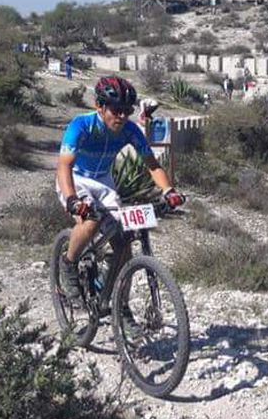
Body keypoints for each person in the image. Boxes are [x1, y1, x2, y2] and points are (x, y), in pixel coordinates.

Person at [56, 77, 185, 300]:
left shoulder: (130, 130)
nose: (122, 116)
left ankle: (118, 304)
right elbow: (64, 165)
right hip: (76, 178)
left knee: (123, 243)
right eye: (116, 110)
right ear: (99, 106)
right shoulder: (81, 126)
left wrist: (169, 191)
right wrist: (72, 199)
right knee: (91, 221)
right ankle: (68, 263)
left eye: (127, 110)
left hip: (104, 181)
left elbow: (152, 165)